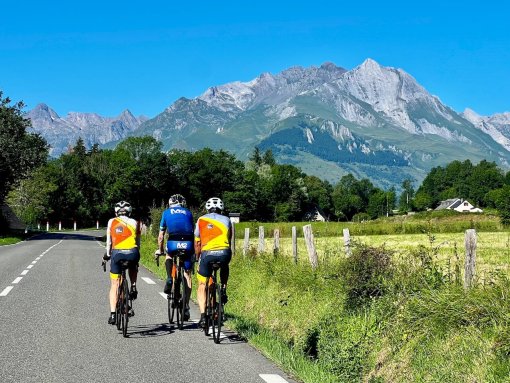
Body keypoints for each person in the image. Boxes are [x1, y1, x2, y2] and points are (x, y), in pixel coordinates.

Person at [154, 194, 194, 321]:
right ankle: (186, 306)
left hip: (173, 242)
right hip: (188, 243)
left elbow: (161, 236)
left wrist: (160, 250)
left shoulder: (166, 213)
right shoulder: (188, 212)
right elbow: (193, 231)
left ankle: (169, 278)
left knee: (169, 255)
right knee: (187, 274)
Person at [194, 197, 232, 329]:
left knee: (202, 284)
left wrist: (197, 257)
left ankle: (203, 316)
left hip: (207, 254)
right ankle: (223, 289)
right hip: (224, 253)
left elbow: (197, 242)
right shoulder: (227, 220)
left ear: (207, 208)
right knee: (225, 265)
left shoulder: (201, 220)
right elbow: (229, 238)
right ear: (221, 208)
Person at [103, 201, 140, 325]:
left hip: (117, 253)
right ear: (129, 212)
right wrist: (136, 253)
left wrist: (107, 255)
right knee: (134, 265)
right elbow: (137, 242)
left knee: (114, 284)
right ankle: (133, 286)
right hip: (133, 252)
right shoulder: (135, 222)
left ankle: (113, 315)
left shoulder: (111, 221)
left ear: (116, 212)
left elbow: (109, 242)